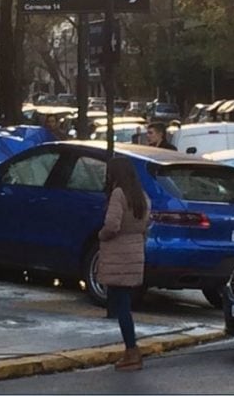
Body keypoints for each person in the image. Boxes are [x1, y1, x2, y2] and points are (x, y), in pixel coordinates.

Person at [98, 157, 151, 372]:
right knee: (123, 303)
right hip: (134, 251)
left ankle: (132, 350)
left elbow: (112, 225)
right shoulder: (142, 196)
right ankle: (131, 351)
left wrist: (102, 235)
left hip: (117, 255)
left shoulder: (118, 194)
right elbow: (146, 225)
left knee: (122, 307)